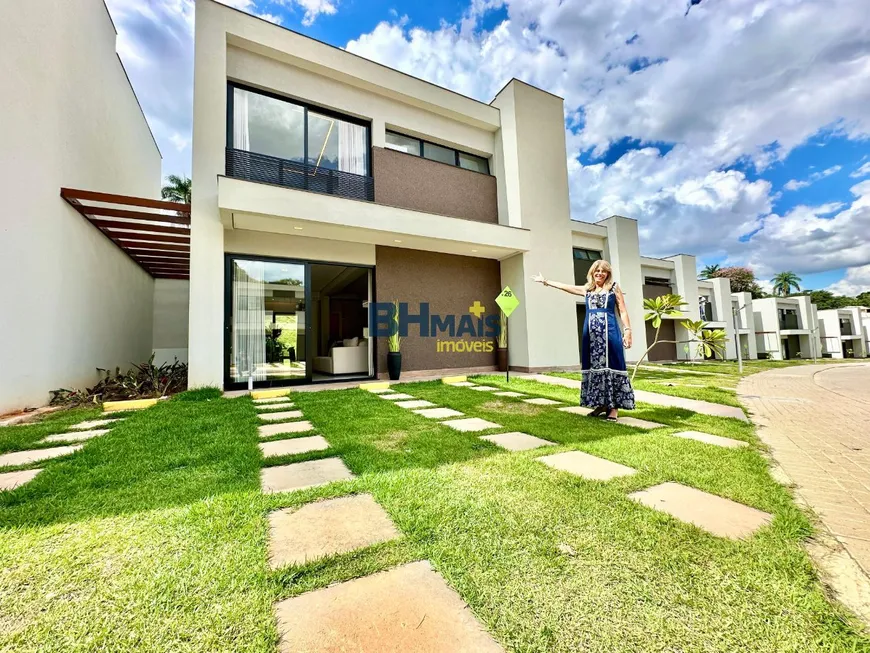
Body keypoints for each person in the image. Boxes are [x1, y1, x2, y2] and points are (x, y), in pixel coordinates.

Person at [532, 260, 635, 420]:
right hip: (591, 335)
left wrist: (628, 331)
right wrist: (546, 281)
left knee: (612, 365)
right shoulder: (588, 289)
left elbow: (623, 310)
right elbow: (566, 287)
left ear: (608, 274)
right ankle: (601, 404)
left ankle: (613, 407)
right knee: (594, 367)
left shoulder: (613, 288)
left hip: (610, 332)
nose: (600, 273)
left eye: (603, 271)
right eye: (597, 271)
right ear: (592, 272)